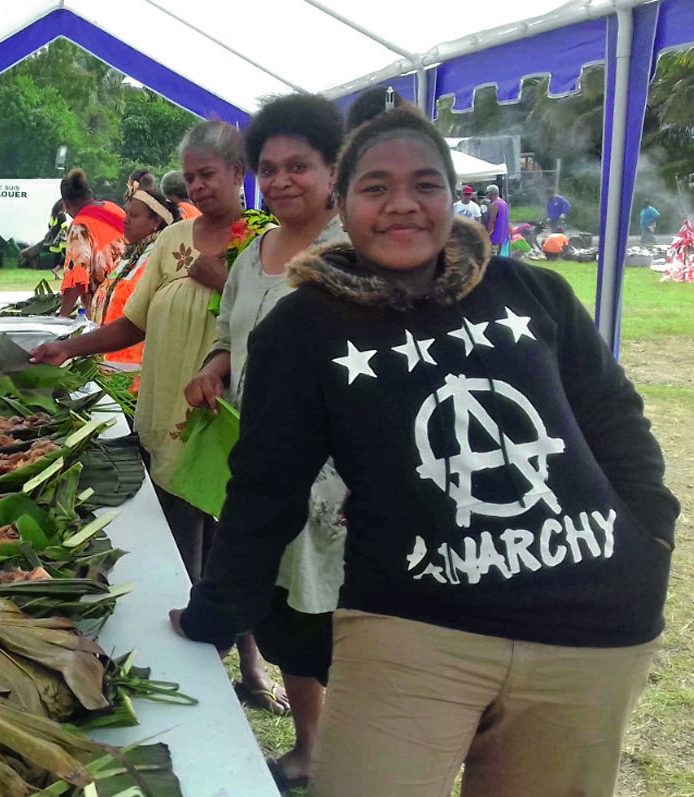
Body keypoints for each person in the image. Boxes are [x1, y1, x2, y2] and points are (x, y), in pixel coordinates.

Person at [172, 103, 676, 797]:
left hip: (588, 629)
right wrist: (217, 612)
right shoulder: (304, 326)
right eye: (375, 187)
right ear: (343, 202)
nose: (402, 204)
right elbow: (265, 486)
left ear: (451, 194)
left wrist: (648, 540)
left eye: (425, 184)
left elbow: (618, 428)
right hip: (411, 627)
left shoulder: (532, 291)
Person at [33, 120, 282, 714]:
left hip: (231, 421)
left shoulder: (267, 241)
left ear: (239, 175)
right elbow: (135, 323)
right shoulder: (173, 240)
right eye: (191, 176)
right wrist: (72, 346)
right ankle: (201, 676)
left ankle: (250, 667)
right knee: (183, 555)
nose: (198, 187)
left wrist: (222, 277)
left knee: (237, 547)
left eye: (209, 175)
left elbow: (282, 325)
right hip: (167, 413)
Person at [182, 93, 347, 792]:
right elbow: (229, 331)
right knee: (282, 608)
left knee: (326, 608)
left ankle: (341, 750)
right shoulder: (253, 255)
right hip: (260, 461)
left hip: (331, 471)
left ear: (332, 169)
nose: (280, 180)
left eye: (298, 166)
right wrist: (213, 367)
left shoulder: (351, 253)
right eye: (269, 168)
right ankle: (309, 745)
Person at [88, 184, 177, 371]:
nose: (126, 220)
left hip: (135, 371)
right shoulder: (129, 255)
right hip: (109, 365)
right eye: (126, 214)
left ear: (156, 221)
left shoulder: (160, 257)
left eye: (134, 216)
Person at [56, 168, 126, 317]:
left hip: (107, 309)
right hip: (130, 298)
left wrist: (61, 318)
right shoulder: (114, 209)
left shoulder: (80, 226)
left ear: (66, 204)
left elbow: (77, 278)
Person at [21, 199, 69, 276]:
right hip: (62, 241)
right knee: (69, 256)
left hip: (54, 241)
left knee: (59, 257)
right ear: (62, 206)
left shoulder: (53, 216)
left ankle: (56, 272)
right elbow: (65, 227)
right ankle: (61, 272)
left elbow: (50, 226)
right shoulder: (62, 215)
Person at [485, 183, 511, 257]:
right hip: (504, 237)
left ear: (491, 193)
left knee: (493, 259)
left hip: (495, 237)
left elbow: (492, 221)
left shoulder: (494, 204)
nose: (486, 195)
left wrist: (487, 234)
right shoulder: (504, 203)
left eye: (487, 193)